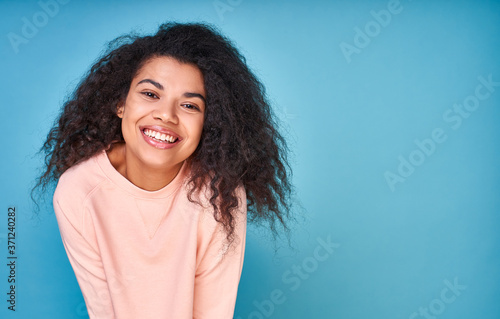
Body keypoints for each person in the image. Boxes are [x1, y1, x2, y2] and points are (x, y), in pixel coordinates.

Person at [34, 22, 293, 318]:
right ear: (120, 103)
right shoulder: (78, 193)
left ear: (209, 123)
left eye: (190, 106)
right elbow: (103, 310)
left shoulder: (219, 196)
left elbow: (214, 312)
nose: (166, 115)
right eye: (150, 94)